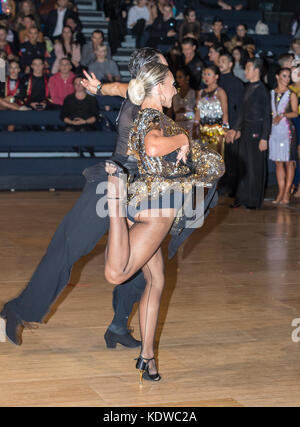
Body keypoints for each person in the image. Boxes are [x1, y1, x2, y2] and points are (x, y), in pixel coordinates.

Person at [0, 47, 219, 350]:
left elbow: (118, 88)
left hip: (144, 187)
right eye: (163, 68)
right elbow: (133, 107)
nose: (170, 74)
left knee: (144, 262)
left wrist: (100, 87)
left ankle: (118, 324)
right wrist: (183, 138)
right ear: (148, 73)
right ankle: (18, 310)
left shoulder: (147, 94)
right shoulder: (141, 95)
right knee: (70, 244)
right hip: (113, 179)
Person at [103, 62, 224, 383]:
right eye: (172, 84)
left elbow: (150, 151)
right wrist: (183, 136)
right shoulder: (154, 116)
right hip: (156, 211)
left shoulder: (147, 114)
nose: (176, 89)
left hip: (146, 204)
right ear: (158, 88)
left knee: (156, 282)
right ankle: (113, 199)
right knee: (117, 272)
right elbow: (153, 146)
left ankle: (147, 358)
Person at [226, 58, 272, 209]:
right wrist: (237, 129)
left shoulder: (262, 90)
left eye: (247, 68)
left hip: (257, 132)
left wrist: (264, 137)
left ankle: (253, 201)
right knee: (243, 166)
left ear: (256, 70)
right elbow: (242, 112)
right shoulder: (248, 87)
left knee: (255, 167)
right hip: (245, 130)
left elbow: (267, 116)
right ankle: (242, 198)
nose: (245, 71)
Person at [268, 68, 298, 205]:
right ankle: (280, 191)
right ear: (277, 76)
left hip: (287, 131)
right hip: (274, 131)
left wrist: (283, 115)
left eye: (288, 77)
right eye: (284, 76)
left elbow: (295, 113)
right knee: (278, 162)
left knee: (289, 162)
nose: (287, 79)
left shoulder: (291, 94)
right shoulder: (271, 93)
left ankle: (287, 192)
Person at [218, 52, 244, 196]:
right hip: (215, 127)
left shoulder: (237, 83)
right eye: (219, 61)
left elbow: (240, 108)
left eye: (223, 61)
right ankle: (220, 187)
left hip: (231, 126)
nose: (220, 63)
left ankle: (231, 190)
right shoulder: (216, 81)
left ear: (230, 64)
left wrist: (236, 128)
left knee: (231, 159)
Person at [195, 65, 229, 156]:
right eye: (204, 74)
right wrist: (195, 127)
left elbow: (225, 113)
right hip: (203, 130)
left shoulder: (220, 92)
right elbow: (198, 112)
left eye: (208, 74)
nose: (205, 77)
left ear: (216, 76)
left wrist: (225, 131)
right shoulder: (201, 92)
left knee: (216, 158)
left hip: (217, 130)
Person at [168, 66, 196, 135]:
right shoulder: (174, 93)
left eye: (180, 77)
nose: (178, 80)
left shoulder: (194, 92)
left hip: (191, 125)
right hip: (178, 125)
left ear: (187, 77)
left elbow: (198, 110)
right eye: (177, 77)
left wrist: (196, 126)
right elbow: (170, 112)